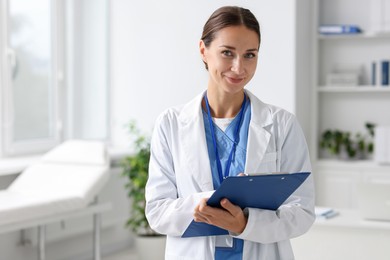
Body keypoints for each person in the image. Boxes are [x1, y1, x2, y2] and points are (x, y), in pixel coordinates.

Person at [145, 5, 315, 260]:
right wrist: (208, 206)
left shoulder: (282, 124)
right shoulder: (170, 124)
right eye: (227, 53)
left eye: (250, 55)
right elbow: (157, 211)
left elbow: (302, 212)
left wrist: (245, 223)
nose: (239, 68)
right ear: (204, 51)